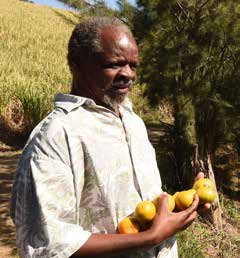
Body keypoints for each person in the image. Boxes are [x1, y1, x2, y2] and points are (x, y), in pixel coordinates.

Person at [10, 17, 207, 258]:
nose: (128, 74)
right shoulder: (57, 134)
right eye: (115, 64)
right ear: (76, 63)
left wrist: (182, 203)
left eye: (133, 65)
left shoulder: (133, 122)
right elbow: (45, 243)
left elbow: (141, 203)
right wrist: (150, 237)